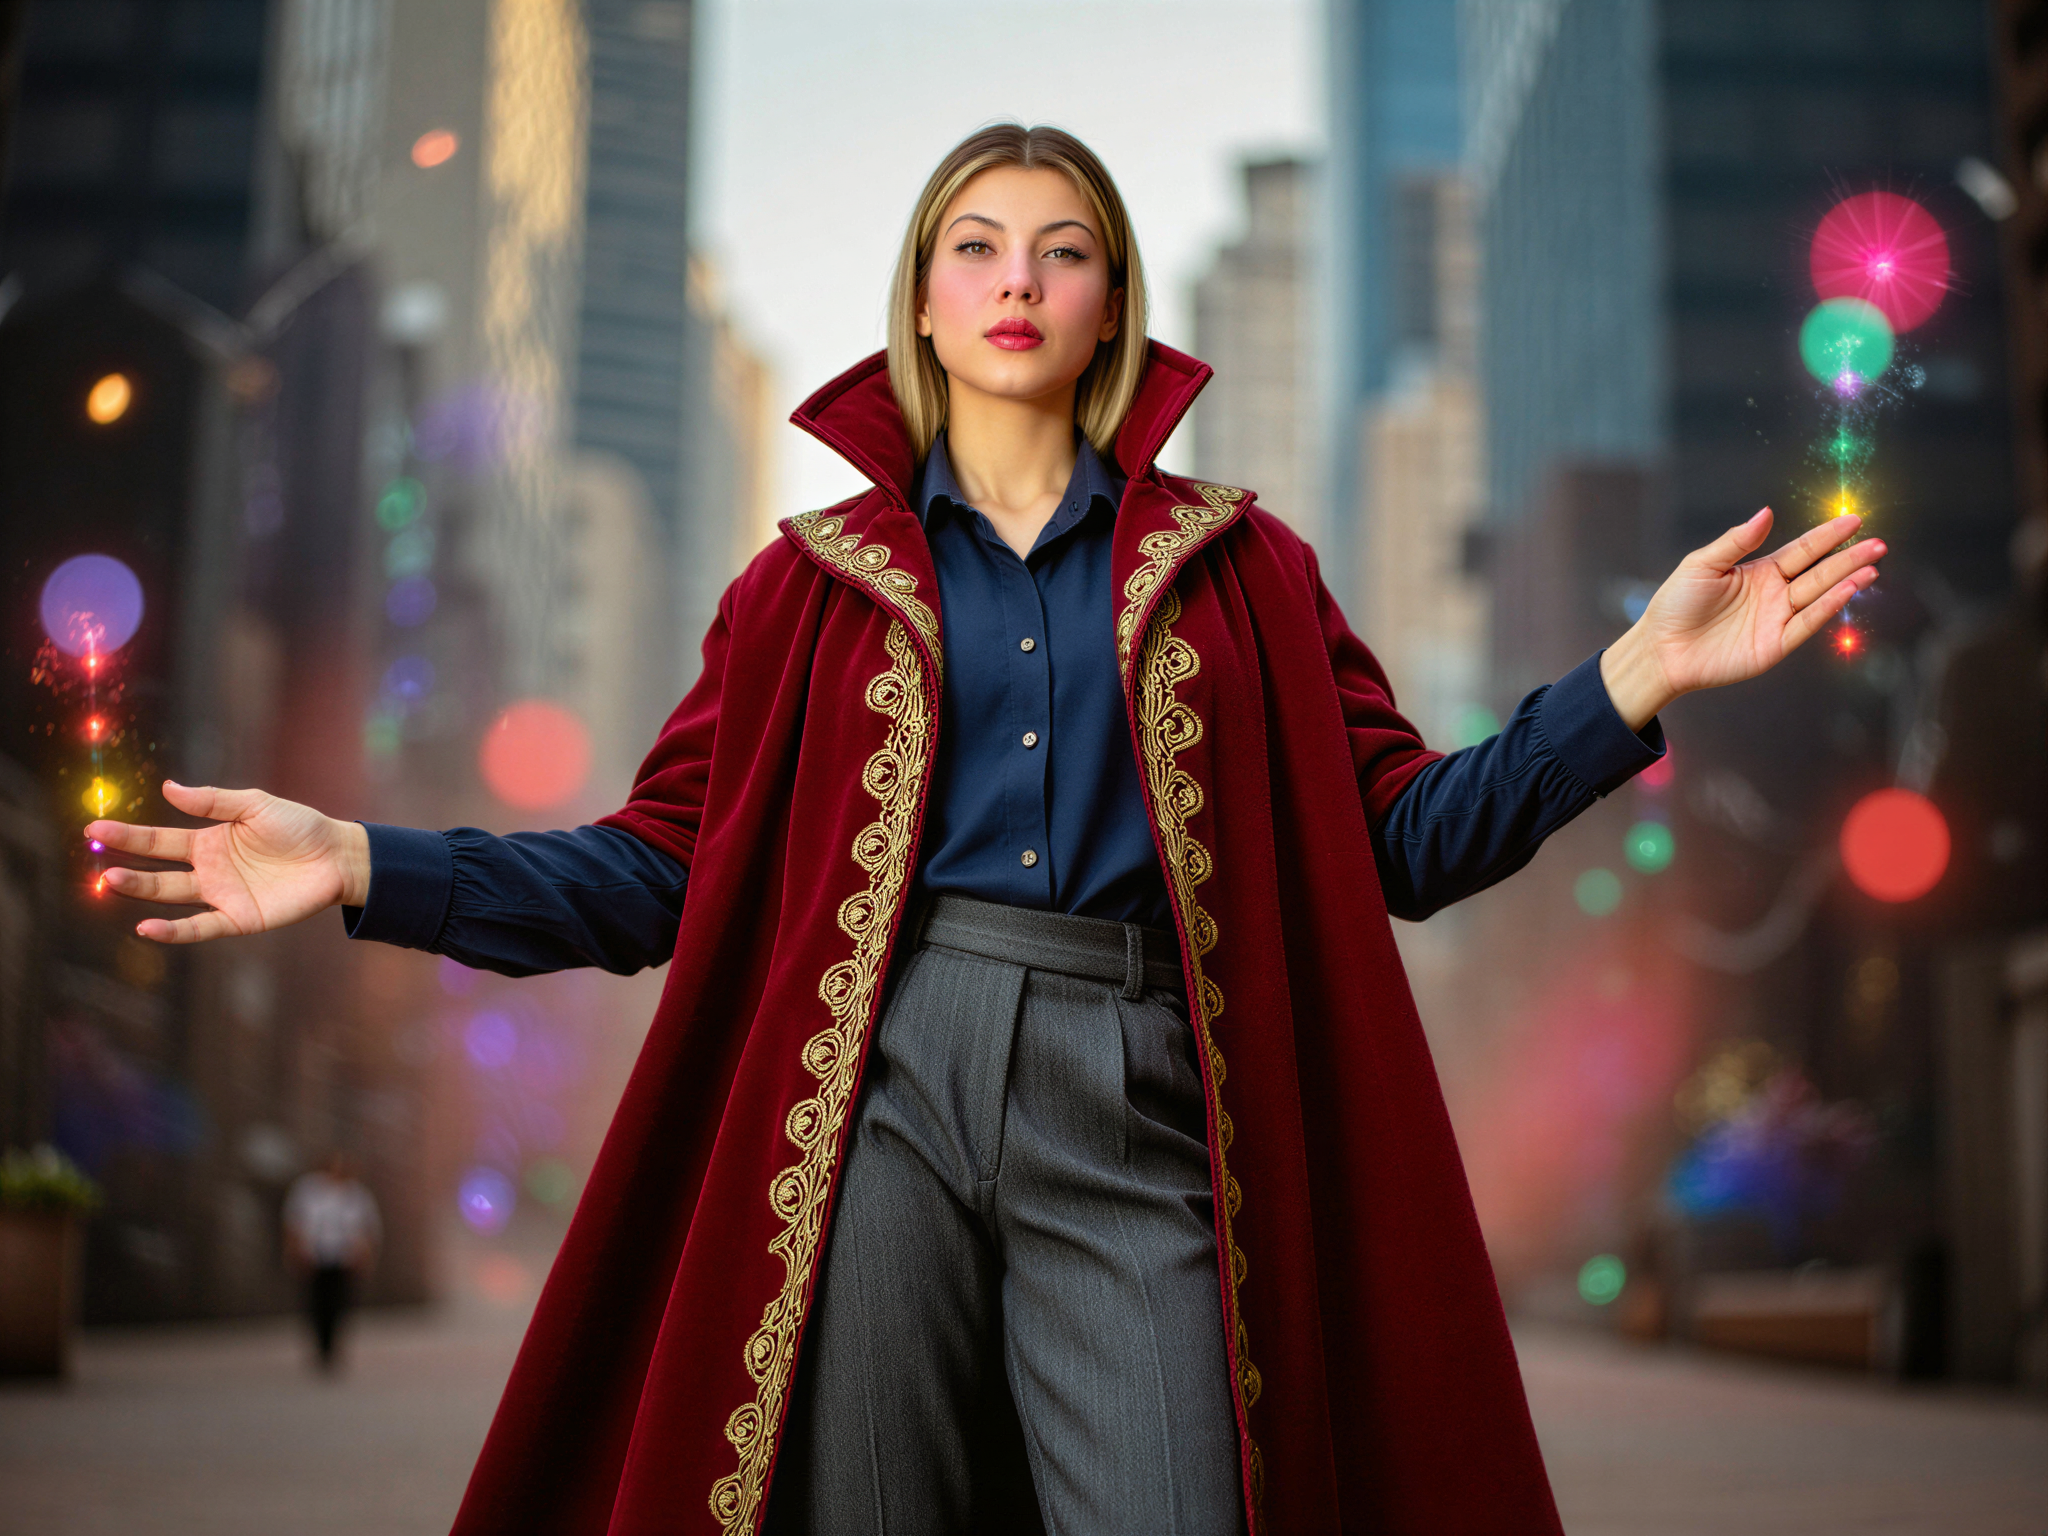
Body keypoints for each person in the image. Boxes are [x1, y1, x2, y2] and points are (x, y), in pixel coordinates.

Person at [91, 125, 1882, 1534]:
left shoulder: (1242, 571)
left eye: (1064, 248)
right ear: (922, 304)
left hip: (1140, 1090)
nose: (1016, 278)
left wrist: (1628, 678)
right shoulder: (799, 590)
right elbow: (652, 874)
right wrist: (363, 866)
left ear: (1113, 305)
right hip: (870, 1096)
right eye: (975, 245)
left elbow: (1402, 839)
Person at [282, 1151, 380, 1373]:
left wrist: (364, 1255)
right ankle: (320, 1348)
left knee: (340, 1304)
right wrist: (294, 1251)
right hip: (314, 1257)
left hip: (343, 1258)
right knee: (317, 1304)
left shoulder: (356, 1194)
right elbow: (294, 1221)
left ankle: (335, 1348)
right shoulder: (308, 1190)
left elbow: (368, 1227)